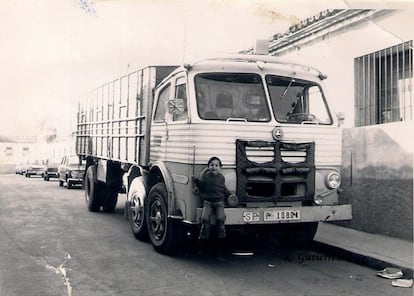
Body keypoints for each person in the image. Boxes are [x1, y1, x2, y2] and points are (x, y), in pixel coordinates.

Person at [193, 156, 232, 239]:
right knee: (204, 218)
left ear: (220, 168)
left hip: (219, 203)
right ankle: (204, 235)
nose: (214, 167)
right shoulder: (205, 177)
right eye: (212, 165)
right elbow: (201, 186)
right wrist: (196, 181)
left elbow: (223, 188)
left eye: (216, 165)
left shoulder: (221, 178)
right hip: (208, 202)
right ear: (208, 167)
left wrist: (229, 195)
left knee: (220, 218)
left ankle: (221, 235)